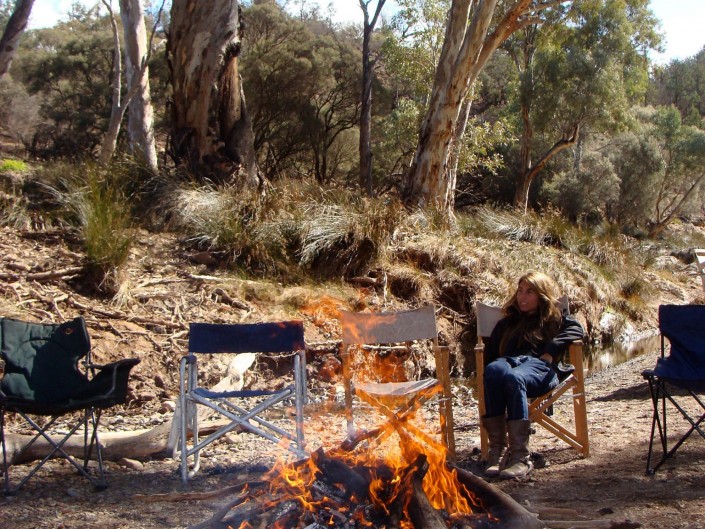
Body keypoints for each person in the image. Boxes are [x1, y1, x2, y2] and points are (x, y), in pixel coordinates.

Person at [481, 271, 584, 479]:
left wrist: (550, 352)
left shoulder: (554, 319)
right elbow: (491, 356)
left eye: (529, 292)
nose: (522, 297)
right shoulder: (507, 323)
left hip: (540, 369)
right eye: (520, 291)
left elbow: (577, 329)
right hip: (509, 364)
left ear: (541, 295)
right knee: (492, 370)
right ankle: (498, 451)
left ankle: (520, 457)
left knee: (514, 378)